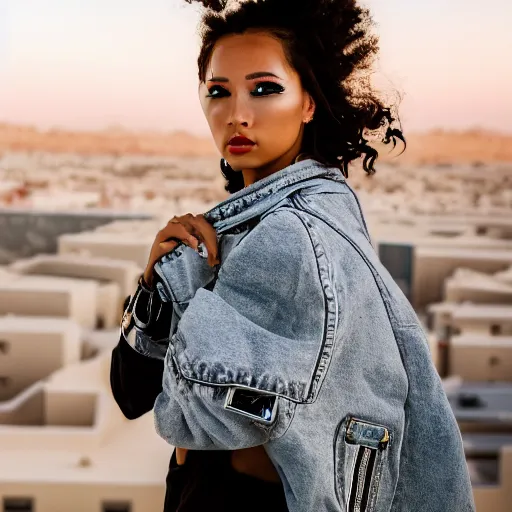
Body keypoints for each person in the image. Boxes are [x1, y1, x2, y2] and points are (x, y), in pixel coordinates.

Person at [110, 0, 476, 511]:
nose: (237, 113)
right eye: (219, 91)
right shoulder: (247, 228)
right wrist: (155, 280)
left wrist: (187, 283)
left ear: (308, 102)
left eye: (265, 89)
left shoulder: (294, 236)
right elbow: (132, 392)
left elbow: (184, 417)